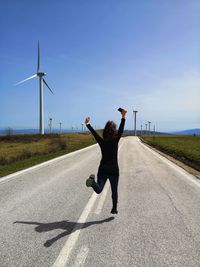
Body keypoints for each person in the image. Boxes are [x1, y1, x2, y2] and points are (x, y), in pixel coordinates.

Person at [85, 108, 127, 214]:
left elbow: (95, 134)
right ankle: (114, 208)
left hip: (103, 169)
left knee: (98, 189)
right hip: (114, 170)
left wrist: (88, 124)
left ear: (105, 131)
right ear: (114, 131)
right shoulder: (116, 140)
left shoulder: (102, 142)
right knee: (114, 191)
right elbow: (121, 130)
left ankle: (93, 182)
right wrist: (123, 117)